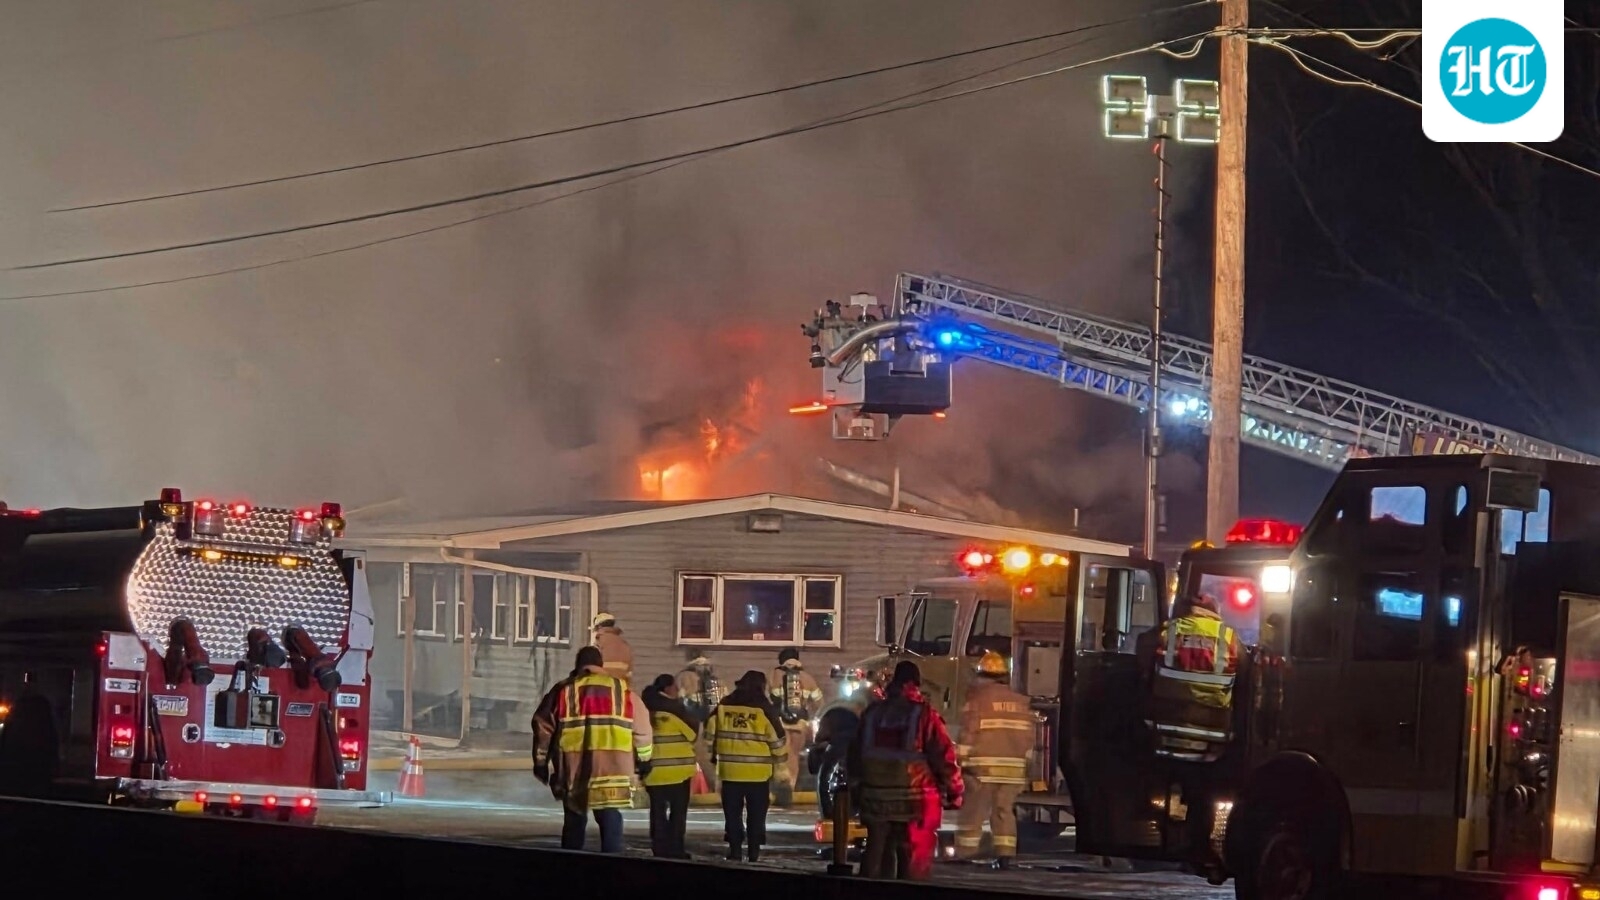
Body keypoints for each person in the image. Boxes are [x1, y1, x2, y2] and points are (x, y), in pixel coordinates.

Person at [848, 661, 962, 881]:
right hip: (914, 801)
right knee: (913, 857)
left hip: (874, 798)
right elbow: (943, 756)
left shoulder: (871, 714)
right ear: (913, 684)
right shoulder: (924, 715)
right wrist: (954, 790)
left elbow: (854, 755)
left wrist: (856, 790)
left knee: (876, 852)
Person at [536, 646, 652, 853]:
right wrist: (644, 759)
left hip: (575, 770)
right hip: (613, 772)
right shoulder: (622, 691)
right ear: (601, 665)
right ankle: (613, 862)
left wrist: (541, 762)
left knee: (574, 821)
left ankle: (570, 864)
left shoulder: (563, 691)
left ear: (578, 665)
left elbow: (543, 729)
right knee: (610, 818)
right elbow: (642, 728)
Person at [955, 651, 1033, 868]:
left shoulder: (978, 700)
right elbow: (1029, 738)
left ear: (982, 676)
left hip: (982, 770)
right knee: (1004, 812)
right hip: (1013, 771)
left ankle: (965, 854)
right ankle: (1005, 855)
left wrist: (961, 761)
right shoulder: (1020, 702)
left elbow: (968, 734)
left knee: (973, 814)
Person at [1147, 592, 1241, 760]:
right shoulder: (1228, 636)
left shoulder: (1169, 630)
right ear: (1215, 612)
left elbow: (1143, 660)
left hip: (1166, 720)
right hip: (1214, 725)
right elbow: (1244, 675)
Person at [705, 670, 787, 862]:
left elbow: (709, 734)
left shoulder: (724, 705)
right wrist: (780, 762)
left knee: (732, 814)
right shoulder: (764, 709)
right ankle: (753, 852)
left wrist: (716, 752)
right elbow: (777, 740)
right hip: (758, 774)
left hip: (729, 772)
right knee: (756, 815)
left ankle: (735, 851)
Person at [641, 673, 698, 859]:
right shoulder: (675, 711)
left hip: (653, 771)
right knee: (677, 814)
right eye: (674, 686)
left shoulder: (645, 710)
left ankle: (659, 847)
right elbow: (692, 734)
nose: (677, 690)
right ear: (666, 689)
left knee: (657, 813)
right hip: (677, 772)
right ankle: (675, 849)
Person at [769, 647, 823, 804]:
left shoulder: (776, 675)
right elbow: (819, 702)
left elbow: (772, 696)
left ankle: (781, 786)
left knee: (782, 754)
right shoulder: (807, 678)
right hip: (800, 723)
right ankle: (791, 787)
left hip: (780, 722)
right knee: (794, 754)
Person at [677, 648, 721, 791]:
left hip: (691, 723)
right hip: (712, 723)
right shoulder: (713, 679)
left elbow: (679, 700)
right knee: (710, 759)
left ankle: (697, 789)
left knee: (694, 757)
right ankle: (713, 788)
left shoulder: (683, 677)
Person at [592, 612, 634, 682]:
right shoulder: (624, 644)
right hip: (620, 684)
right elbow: (629, 672)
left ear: (599, 627)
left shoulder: (599, 642)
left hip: (604, 683)